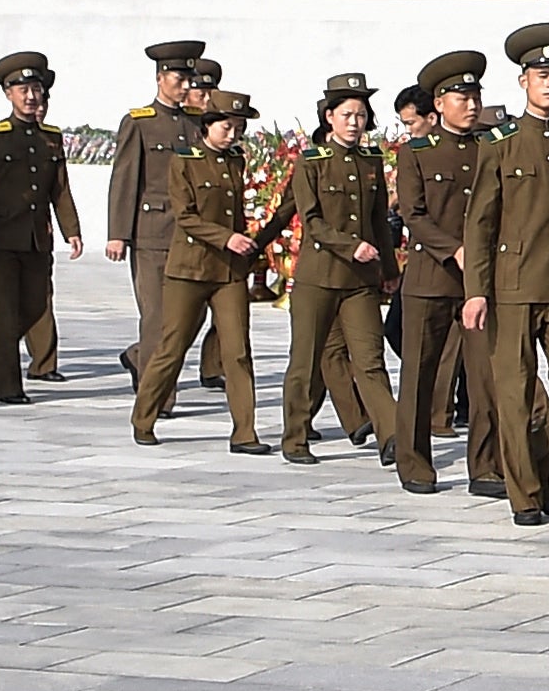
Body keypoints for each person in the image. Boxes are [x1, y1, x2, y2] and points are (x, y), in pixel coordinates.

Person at [454, 23, 549, 518]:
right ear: (523, 81)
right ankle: (524, 496)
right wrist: (476, 291)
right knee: (515, 394)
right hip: (513, 284)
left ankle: (535, 470)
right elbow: (480, 221)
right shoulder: (501, 142)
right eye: (542, 75)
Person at [134, 94, 271, 452]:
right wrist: (228, 239)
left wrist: (248, 251)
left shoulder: (236, 162)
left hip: (228, 273)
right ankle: (144, 416)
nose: (232, 135)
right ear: (207, 125)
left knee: (238, 351)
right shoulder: (185, 162)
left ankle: (245, 432)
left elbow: (238, 213)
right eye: (226, 127)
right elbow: (185, 216)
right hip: (189, 269)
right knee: (173, 346)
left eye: (238, 129)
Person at [270, 74, 395, 463]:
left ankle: (392, 436)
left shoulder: (371, 161)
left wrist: (389, 268)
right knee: (305, 362)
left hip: (360, 282)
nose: (355, 123)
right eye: (347, 115)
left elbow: (379, 222)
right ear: (329, 117)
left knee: (370, 360)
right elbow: (312, 221)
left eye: (361, 115)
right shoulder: (312, 163)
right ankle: (295, 438)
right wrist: (350, 246)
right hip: (319, 277)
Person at [385, 50, 490, 497]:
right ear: (440, 103)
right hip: (431, 278)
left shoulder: (491, 146)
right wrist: (456, 250)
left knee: (484, 379)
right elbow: (414, 213)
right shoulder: (417, 152)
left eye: (475, 96)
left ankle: (485, 467)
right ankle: (414, 463)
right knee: (420, 376)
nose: (470, 105)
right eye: (460, 97)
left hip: (481, 283)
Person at [0, 50, 81, 406]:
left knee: (34, 307)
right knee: (4, 313)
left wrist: (71, 229)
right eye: (23, 90)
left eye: (36, 90)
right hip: (1, 237)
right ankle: (9, 388)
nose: (31, 97)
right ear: (8, 94)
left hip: (36, 239)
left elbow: (59, 187)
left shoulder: (50, 136)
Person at [110, 37, 208, 407]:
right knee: (156, 317)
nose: (186, 86)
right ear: (160, 78)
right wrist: (118, 234)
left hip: (190, 235)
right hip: (151, 234)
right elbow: (124, 180)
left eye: (189, 79)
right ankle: (158, 399)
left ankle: (140, 359)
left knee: (186, 317)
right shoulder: (140, 123)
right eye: (179, 79)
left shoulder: (196, 124)